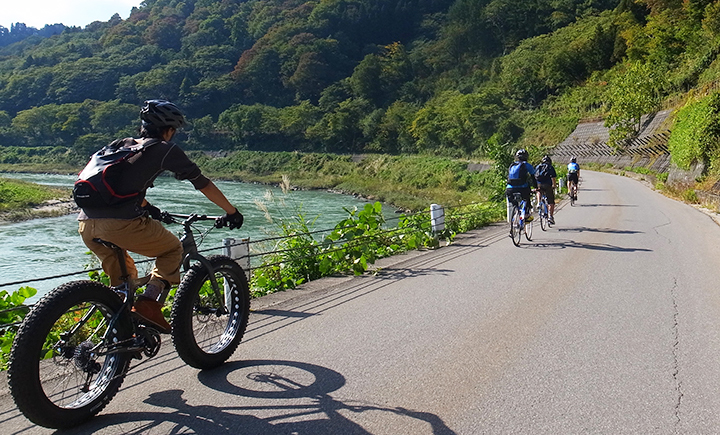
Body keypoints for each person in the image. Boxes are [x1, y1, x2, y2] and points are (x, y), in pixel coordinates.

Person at [77, 99, 244, 333]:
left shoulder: (120, 145)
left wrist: (150, 208)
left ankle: (120, 332)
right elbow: (202, 183)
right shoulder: (164, 149)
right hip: (121, 224)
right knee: (172, 249)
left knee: (125, 282)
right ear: (169, 130)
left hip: (86, 223)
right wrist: (231, 211)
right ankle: (149, 305)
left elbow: (117, 188)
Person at [506, 149, 537, 222]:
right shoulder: (526, 165)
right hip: (522, 187)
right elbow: (533, 177)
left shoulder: (512, 165)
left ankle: (516, 211)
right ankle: (526, 214)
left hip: (510, 188)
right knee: (526, 198)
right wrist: (536, 187)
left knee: (514, 203)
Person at [535, 155, 557, 224]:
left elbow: (535, 176)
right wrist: (554, 185)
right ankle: (550, 217)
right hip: (547, 185)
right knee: (551, 202)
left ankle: (538, 203)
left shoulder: (538, 166)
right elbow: (553, 178)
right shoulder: (550, 167)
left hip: (539, 184)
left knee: (539, 192)